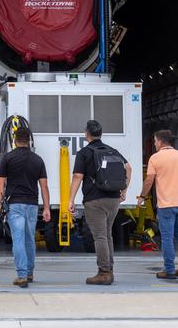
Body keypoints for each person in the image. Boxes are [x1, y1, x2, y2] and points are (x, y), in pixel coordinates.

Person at [66, 119, 131, 285]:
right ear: (101, 134)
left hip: (95, 200)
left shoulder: (84, 153)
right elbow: (128, 168)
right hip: (113, 199)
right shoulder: (112, 150)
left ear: (86, 134)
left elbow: (77, 176)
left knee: (100, 236)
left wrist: (70, 199)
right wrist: (124, 191)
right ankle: (110, 269)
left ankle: (103, 272)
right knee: (107, 234)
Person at [0, 122, 51, 288]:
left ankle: (21, 275)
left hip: (15, 205)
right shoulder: (38, 160)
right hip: (32, 205)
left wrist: (0, 203)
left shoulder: (8, 158)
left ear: (14, 139)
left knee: (18, 239)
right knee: (29, 239)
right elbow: (44, 186)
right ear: (29, 141)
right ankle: (29, 272)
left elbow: (0, 184)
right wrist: (46, 207)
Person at [137, 130, 178, 279]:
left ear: (161, 141)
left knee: (167, 238)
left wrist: (142, 196)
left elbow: (149, 180)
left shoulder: (155, 158)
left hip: (166, 206)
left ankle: (169, 270)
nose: (155, 144)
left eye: (156, 141)